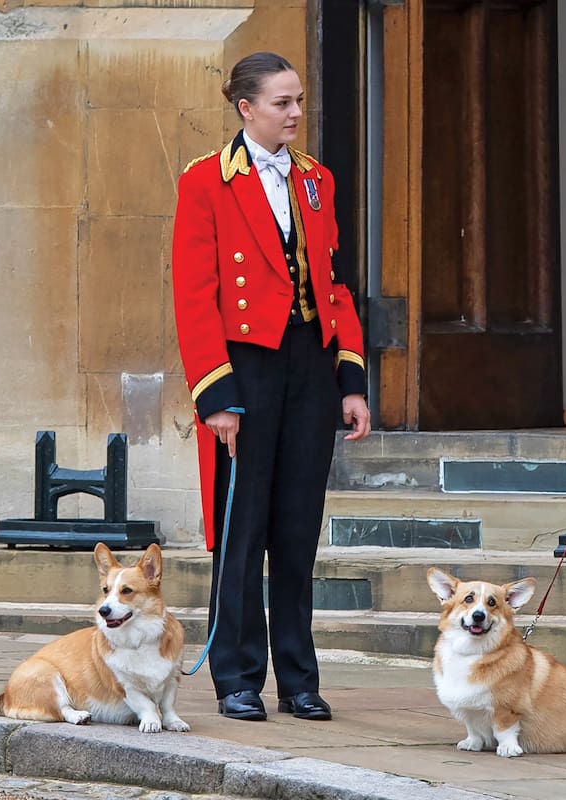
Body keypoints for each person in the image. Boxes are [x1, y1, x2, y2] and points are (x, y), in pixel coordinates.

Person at [171, 51, 371, 723]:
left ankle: (299, 678)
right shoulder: (205, 181)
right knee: (242, 528)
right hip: (244, 370)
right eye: (283, 102)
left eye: (298, 101)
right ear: (245, 108)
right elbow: (194, 297)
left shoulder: (316, 180)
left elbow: (336, 284)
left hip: (309, 366)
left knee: (295, 530)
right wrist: (216, 396)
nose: (295, 113)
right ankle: (235, 675)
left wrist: (350, 379)